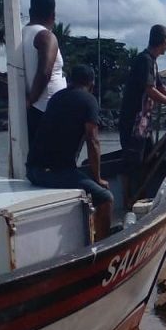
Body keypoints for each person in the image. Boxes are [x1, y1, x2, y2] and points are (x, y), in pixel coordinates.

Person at [26, 65, 113, 240]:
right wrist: (98, 178)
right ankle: (103, 244)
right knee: (106, 197)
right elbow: (93, 140)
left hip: (33, 170)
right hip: (54, 173)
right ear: (91, 84)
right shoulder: (89, 101)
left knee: (80, 177)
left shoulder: (56, 98)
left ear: (70, 81)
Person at [118, 25, 166, 206]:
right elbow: (150, 90)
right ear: (164, 42)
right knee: (131, 162)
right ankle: (127, 199)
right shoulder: (144, 60)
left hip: (143, 123)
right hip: (134, 122)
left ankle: (141, 197)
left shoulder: (152, 61)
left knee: (147, 159)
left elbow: (160, 85)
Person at [23, 0, 67, 145]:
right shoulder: (46, 36)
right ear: (53, 15)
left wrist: (28, 102)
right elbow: (44, 72)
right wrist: (31, 100)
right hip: (49, 109)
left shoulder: (21, 34)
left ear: (30, 12)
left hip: (35, 108)